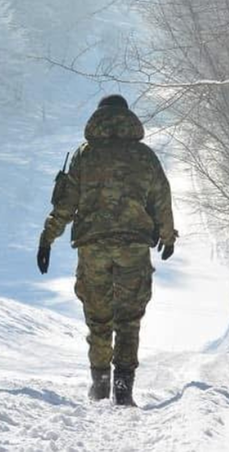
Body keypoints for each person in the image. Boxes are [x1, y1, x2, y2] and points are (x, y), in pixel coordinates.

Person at [37, 94, 175, 406]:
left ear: (97, 119)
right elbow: (161, 199)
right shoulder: (145, 156)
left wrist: (47, 238)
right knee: (129, 319)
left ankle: (100, 385)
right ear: (129, 120)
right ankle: (124, 390)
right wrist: (167, 236)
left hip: (93, 249)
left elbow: (65, 204)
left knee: (98, 319)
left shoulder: (84, 155)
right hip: (133, 249)